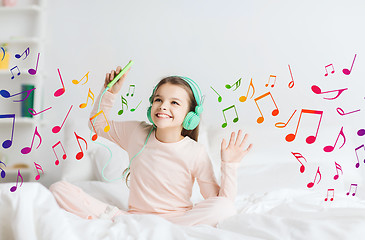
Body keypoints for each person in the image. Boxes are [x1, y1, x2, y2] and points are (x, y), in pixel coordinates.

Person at [50, 66, 253, 227]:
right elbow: (97, 124)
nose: (163, 106)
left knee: (224, 208)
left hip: (178, 219)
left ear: (190, 116)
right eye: (158, 99)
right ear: (151, 106)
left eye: (175, 103)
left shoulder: (195, 152)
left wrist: (230, 165)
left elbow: (220, 202)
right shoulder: (137, 132)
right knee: (58, 188)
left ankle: (155, 226)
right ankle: (122, 218)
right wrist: (109, 92)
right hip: (135, 216)